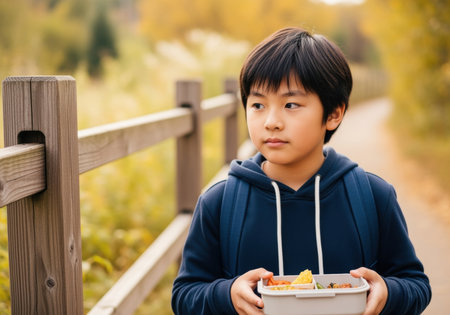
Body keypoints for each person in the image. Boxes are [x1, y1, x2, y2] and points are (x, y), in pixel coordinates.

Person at [171, 27, 431, 315]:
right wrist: (227, 294)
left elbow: (415, 284)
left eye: (291, 104)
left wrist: (388, 292)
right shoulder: (220, 203)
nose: (271, 121)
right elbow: (185, 295)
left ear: (333, 114)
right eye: (257, 104)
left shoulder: (372, 196)